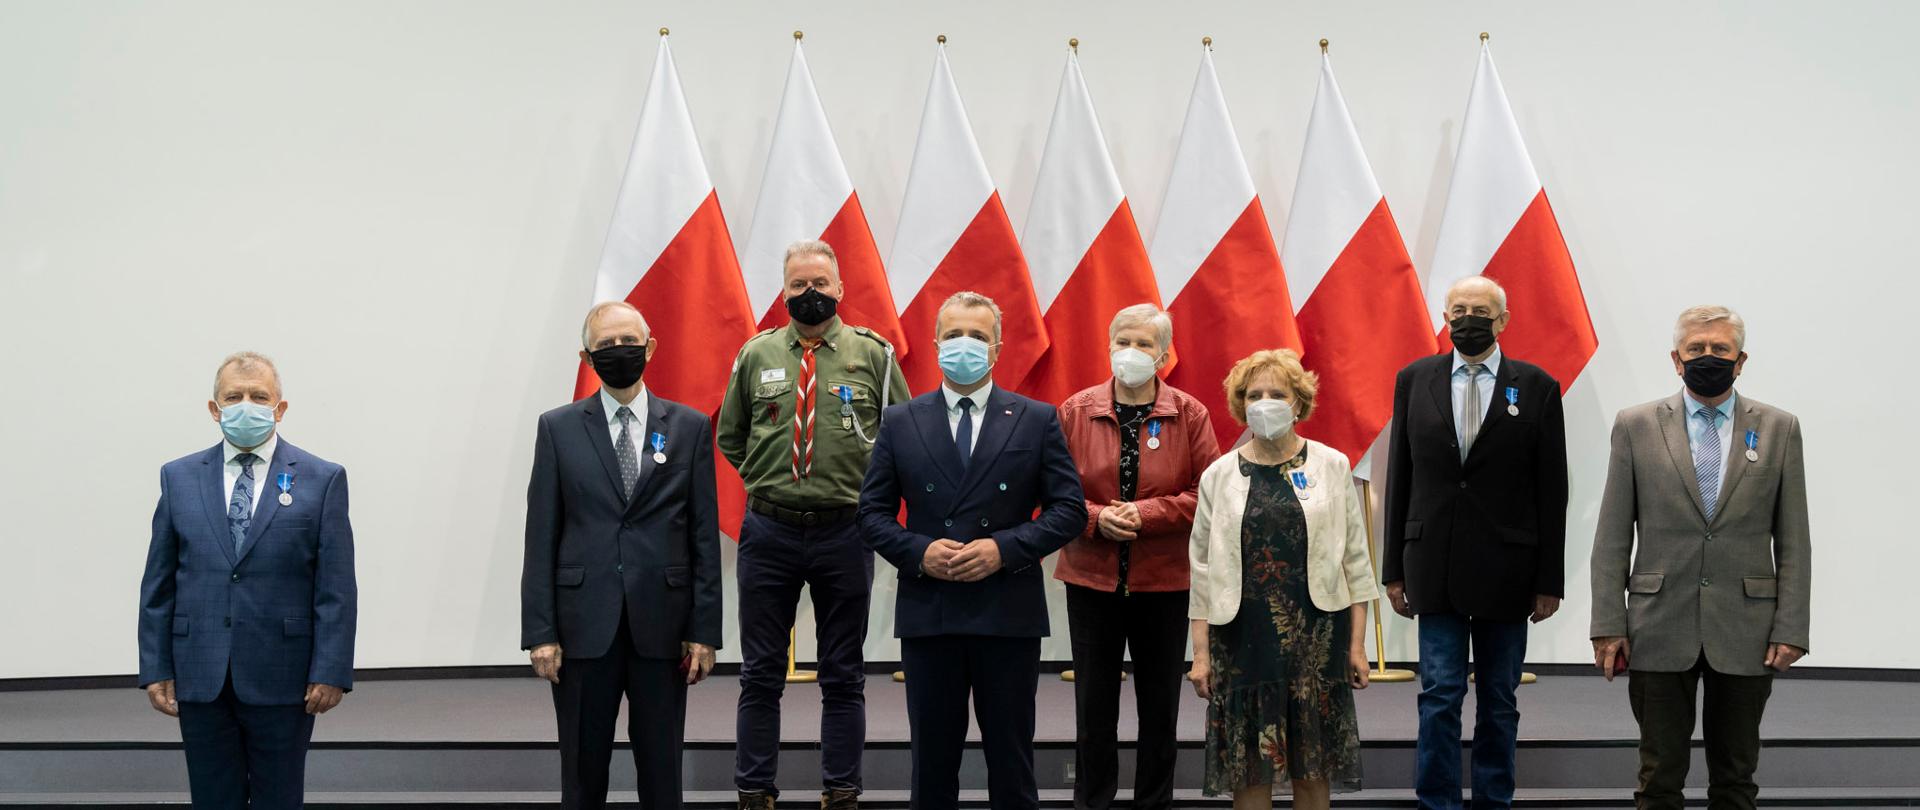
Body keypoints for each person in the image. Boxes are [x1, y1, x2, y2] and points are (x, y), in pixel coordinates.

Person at [858, 290, 1086, 810]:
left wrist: (1003, 549)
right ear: (936, 344)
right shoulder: (900, 421)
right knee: (932, 765)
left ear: (998, 348)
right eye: (955, 335)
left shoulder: (1035, 418)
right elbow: (870, 515)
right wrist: (918, 552)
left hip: (1006, 612)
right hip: (929, 612)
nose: (966, 345)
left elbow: (1068, 510)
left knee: (1012, 761)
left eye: (978, 336)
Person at [1590, 305, 1810, 810]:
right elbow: (1612, 534)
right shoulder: (1635, 426)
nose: (1706, 357)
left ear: (1741, 360)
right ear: (1676, 358)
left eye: (1720, 350)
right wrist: (1608, 621)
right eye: (1696, 349)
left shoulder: (1780, 429)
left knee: (1736, 780)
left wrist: (1791, 627)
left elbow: (1795, 538)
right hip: (1657, 624)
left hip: (1747, 627)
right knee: (1659, 777)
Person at [718, 240, 908, 810]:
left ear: (840, 288)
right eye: (798, 284)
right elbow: (731, 435)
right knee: (760, 673)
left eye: (820, 283)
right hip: (769, 531)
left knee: (843, 673)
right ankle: (754, 791)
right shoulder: (757, 354)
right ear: (783, 289)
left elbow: (902, 435)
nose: (810, 293)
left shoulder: (873, 354)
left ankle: (842, 790)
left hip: (845, 531)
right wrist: (769, 479)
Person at [522, 301, 723, 810]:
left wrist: (704, 630)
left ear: (650, 347)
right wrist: (540, 632)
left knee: (662, 773)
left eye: (628, 343)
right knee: (583, 774)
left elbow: (702, 535)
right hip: (582, 629)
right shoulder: (557, 428)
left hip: (664, 627)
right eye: (605, 346)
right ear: (587, 358)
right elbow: (541, 534)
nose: (619, 353)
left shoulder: (690, 426)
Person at [137, 352, 357, 809]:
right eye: (233, 396)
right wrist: (156, 665)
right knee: (213, 800)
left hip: (285, 675)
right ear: (214, 409)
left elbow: (335, 589)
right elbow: (159, 583)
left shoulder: (323, 479)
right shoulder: (178, 478)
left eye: (259, 396)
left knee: (280, 799)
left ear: (280, 408)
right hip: (200, 673)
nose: (246, 406)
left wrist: (331, 669)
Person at [1382, 276, 1568, 810]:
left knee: (1499, 700)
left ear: (1503, 320)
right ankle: (1437, 802)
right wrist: (1394, 567)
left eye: (1481, 310)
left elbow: (1552, 490)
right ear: (1445, 315)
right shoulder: (1414, 379)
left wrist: (1548, 580)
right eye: (1459, 308)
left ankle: (1493, 800)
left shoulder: (1535, 386)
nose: (1469, 318)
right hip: (1431, 564)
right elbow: (1401, 477)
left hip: (1509, 569)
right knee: (1439, 694)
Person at [1186, 349, 1377, 810]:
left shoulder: (1332, 465)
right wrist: (1200, 654)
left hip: (1317, 637)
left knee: (1312, 766)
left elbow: (1355, 559)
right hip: (1241, 638)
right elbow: (1202, 569)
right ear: (1240, 403)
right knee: (1250, 769)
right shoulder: (1218, 474)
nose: (1265, 402)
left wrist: (1357, 646)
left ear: (1298, 403)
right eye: (1254, 395)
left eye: (1277, 394)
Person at [1054, 303, 1219, 810]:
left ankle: (1154, 803)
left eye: (1143, 343)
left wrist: (1147, 514)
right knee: (1093, 711)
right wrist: (1095, 518)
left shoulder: (1190, 414)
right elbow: (1053, 493)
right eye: (1122, 341)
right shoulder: (1074, 411)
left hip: (1164, 585)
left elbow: (1208, 494)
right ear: (1108, 348)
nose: (1131, 352)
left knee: (1159, 712)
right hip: (1091, 581)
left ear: (1165, 354)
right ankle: (1093, 803)